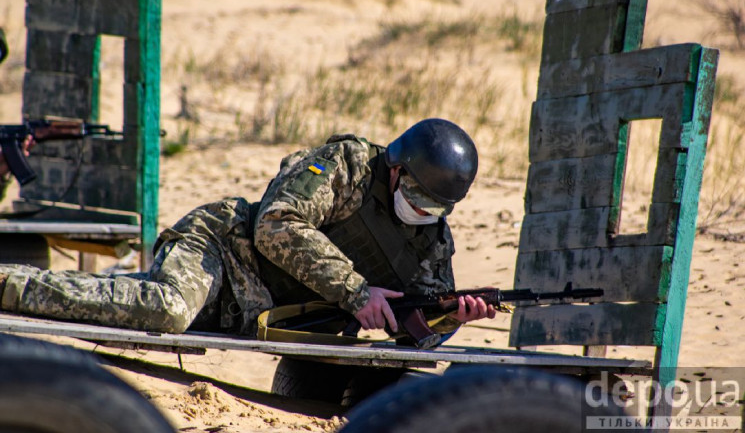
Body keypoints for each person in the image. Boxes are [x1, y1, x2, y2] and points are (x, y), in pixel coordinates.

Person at [0, 118, 496, 338]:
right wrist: (356, 291)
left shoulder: (430, 236)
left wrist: (452, 317)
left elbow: (416, 328)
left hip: (246, 310)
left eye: (438, 207)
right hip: (220, 246)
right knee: (167, 309)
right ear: (397, 169)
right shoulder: (347, 167)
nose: (424, 211)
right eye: (419, 197)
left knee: (123, 298)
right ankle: (8, 286)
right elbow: (276, 224)